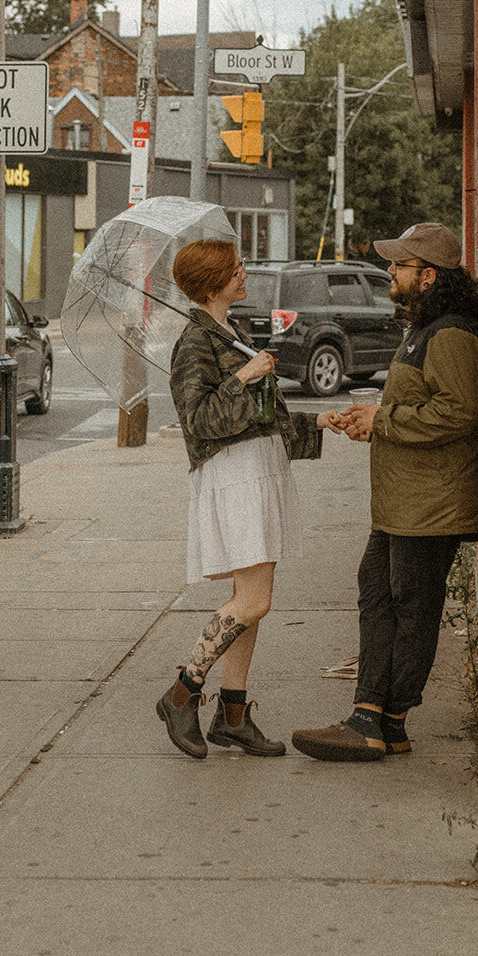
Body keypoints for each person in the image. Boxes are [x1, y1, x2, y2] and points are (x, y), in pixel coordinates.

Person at [291, 222, 478, 763]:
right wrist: (371, 419)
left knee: (410, 607)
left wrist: (385, 419)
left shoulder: (451, 333)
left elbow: (459, 411)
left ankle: (380, 720)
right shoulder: (423, 328)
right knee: (378, 593)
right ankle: (377, 720)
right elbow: (416, 406)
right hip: (405, 502)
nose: (389, 273)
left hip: (432, 505)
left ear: (428, 277)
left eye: (399, 266)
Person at [157, 238, 343, 760]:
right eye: (236, 268)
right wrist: (243, 375)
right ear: (213, 282)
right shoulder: (193, 342)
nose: (245, 273)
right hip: (233, 477)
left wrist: (319, 421)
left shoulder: (230, 330)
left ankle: (233, 716)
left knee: (253, 606)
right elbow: (198, 421)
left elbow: (265, 418)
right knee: (254, 601)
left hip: (260, 470)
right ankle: (181, 693)